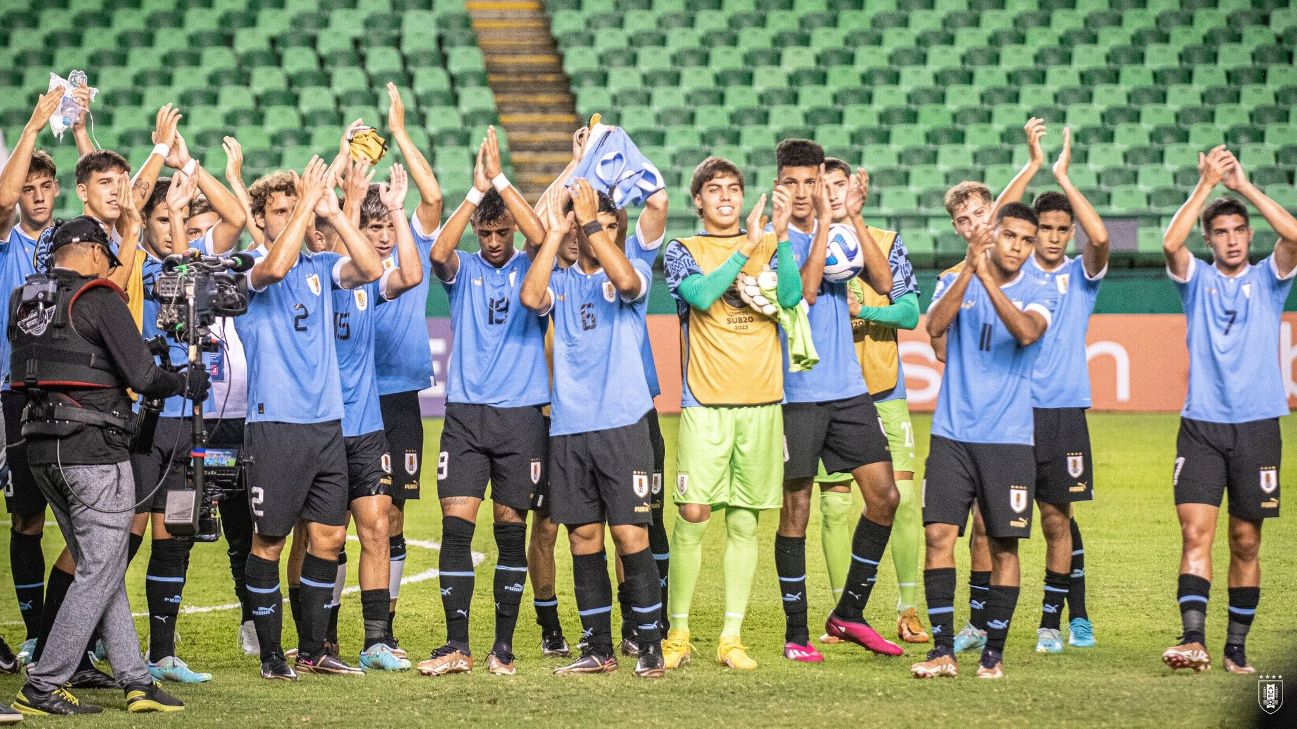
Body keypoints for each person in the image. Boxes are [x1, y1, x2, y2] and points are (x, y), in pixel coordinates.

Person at [7, 214, 199, 715]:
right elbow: (141, 375)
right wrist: (182, 383)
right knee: (99, 569)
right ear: (93, 251)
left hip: (40, 448)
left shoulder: (26, 298)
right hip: (92, 452)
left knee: (102, 565)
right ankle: (44, 682)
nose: (109, 267)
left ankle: (136, 680)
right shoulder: (98, 296)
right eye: (107, 258)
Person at [236, 156, 383, 680]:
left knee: (327, 538)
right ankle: (273, 656)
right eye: (279, 211)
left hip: (327, 426)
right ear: (261, 218)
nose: (289, 218)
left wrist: (334, 213)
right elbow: (275, 266)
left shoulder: (321, 267)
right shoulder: (249, 269)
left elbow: (371, 269)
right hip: (275, 426)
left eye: (291, 210)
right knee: (270, 542)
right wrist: (305, 209)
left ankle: (314, 648)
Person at [520, 178, 665, 677]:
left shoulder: (633, 272)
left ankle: (649, 645)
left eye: (602, 226)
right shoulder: (561, 282)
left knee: (630, 534)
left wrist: (592, 225)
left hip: (623, 427)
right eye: (584, 227)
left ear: (612, 229)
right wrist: (561, 226)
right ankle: (597, 647)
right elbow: (530, 294)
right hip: (568, 428)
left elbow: (625, 282)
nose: (589, 234)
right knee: (582, 536)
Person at [661, 156, 802, 670]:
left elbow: (791, 298)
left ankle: (731, 637)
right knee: (694, 514)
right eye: (714, 189)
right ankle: (677, 632)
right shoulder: (684, 250)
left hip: (763, 403)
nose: (725, 196)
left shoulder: (771, 243)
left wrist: (781, 239)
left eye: (734, 188)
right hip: (706, 402)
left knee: (745, 522)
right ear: (697, 200)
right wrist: (746, 246)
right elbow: (699, 295)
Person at [1160, 146, 1296, 675]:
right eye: (1221, 232)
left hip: (1258, 427)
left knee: (1245, 539)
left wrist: (1241, 187)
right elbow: (1170, 241)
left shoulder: (1269, 280)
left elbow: (1294, 235)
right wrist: (1206, 186)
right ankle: (1192, 639)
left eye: (1239, 230)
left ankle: (1235, 647)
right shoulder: (1196, 279)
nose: (1233, 238)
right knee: (1196, 535)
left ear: (1250, 235)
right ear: (1209, 239)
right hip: (1202, 429)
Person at [766, 140, 902, 663]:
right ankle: (796, 634)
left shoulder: (843, 233)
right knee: (797, 506)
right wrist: (825, 223)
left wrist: (855, 219)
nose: (804, 192)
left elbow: (885, 284)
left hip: (848, 389)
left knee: (885, 497)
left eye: (813, 182)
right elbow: (801, 294)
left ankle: (848, 612)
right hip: (796, 393)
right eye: (794, 182)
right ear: (780, 185)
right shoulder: (773, 237)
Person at [418, 129, 547, 677]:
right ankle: (456, 646)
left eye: (502, 231)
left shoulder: (532, 267)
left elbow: (542, 234)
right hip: (466, 416)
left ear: (511, 228)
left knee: (510, 526)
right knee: (456, 527)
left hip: (521, 417)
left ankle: (503, 647)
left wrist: (500, 181)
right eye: (486, 232)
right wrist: (473, 192)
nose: (494, 241)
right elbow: (437, 252)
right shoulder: (464, 269)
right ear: (477, 228)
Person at [911, 203, 1057, 680]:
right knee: (937, 536)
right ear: (993, 235)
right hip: (952, 434)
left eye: (1026, 240)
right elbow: (933, 328)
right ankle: (941, 650)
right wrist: (969, 272)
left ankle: (993, 653)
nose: (1017, 247)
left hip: (1009, 440)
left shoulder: (1041, 288)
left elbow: (1025, 332)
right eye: (1010, 236)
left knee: (1003, 548)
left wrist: (986, 277)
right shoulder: (959, 279)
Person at [1002, 125, 1110, 654]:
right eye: (1043, 226)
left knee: (1056, 517)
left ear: (1069, 233)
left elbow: (1104, 239)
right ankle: (990, 620)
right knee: (1004, 519)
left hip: (1064, 410)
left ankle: (1061, 621)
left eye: (1060, 228)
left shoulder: (1079, 276)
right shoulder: (1013, 274)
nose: (1050, 235)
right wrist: (1032, 164)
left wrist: (1063, 176)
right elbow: (995, 223)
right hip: (1014, 409)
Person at [815, 157, 928, 646]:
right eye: (824, 186)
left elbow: (909, 311)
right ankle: (844, 612)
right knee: (835, 508)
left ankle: (908, 608)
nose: (833, 192)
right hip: (830, 394)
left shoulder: (885, 243)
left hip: (883, 390)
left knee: (901, 501)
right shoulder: (804, 245)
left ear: (853, 188)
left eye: (840, 184)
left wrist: (865, 310)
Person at [323, 164, 423, 671]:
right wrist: (347, 195)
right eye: (370, 229)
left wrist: (399, 211)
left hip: (366, 427)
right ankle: (319, 638)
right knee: (321, 534)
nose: (379, 241)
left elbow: (410, 274)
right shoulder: (315, 279)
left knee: (377, 527)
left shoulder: (368, 285)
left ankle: (377, 640)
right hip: (318, 425)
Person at [376, 85, 444, 651]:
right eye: (370, 223)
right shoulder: (341, 257)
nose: (378, 232)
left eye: (383, 223)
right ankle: (311, 630)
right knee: (317, 519)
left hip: (397, 399)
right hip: (343, 400)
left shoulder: (407, 249)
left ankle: (386, 629)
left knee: (392, 517)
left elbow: (432, 200)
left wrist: (398, 132)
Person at [0, 89, 66, 658]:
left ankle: (65, 633)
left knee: (78, 516)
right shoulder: (5, 242)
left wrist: (81, 125)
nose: (39, 196)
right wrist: (36, 125)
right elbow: (0, 201)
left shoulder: (71, 243)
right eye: (30, 187)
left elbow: (118, 205)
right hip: (13, 393)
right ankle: (32, 634)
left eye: (47, 187)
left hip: (67, 390)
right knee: (26, 517)